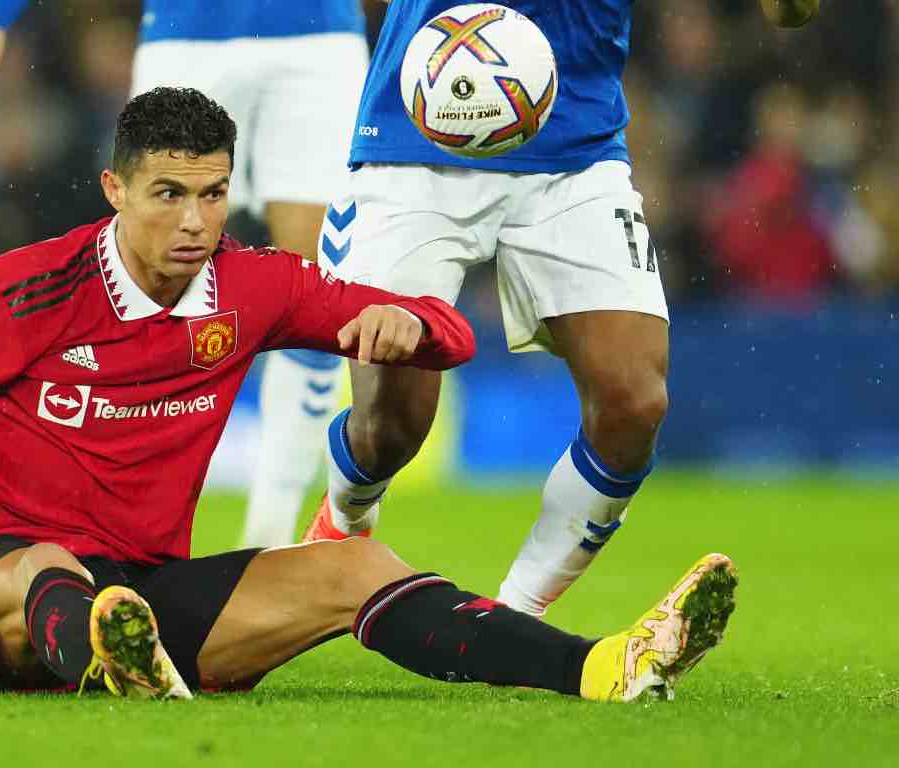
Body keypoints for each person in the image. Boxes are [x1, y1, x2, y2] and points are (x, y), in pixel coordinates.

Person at [0, 87, 737, 701]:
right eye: (168, 194)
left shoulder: (252, 287)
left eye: (215, 193)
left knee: (354, 566)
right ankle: (112, 664)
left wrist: (413, 330)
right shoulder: (26, 290)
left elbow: (447, 328)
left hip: (146, 595)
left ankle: (609, 668)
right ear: (115, 189)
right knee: (50, 571)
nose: (195, 221)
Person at [302, 0, 818, 619]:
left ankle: (514, 619)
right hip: (418, 129)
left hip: (574, 147)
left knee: (634, 404)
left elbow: (788, 14)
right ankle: (344, 514)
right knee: (392, 425)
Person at [0, 0, 371, 547]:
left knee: (313, 280)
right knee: (148, 272)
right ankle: (116, 527)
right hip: (188, 33)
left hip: (318, 37)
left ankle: (268, 539)